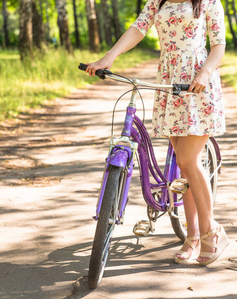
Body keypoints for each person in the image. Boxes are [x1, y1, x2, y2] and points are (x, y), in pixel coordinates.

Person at [85, 0, 229, 265]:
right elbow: (139, 28)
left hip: (196, 82)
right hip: (168, 81)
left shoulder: (209, 2)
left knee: (188, 160)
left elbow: (218, 44)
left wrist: (205, 72)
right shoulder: (158, 0)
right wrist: (109, 56)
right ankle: (193, 237)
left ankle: (213, 231)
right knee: (184, 167)